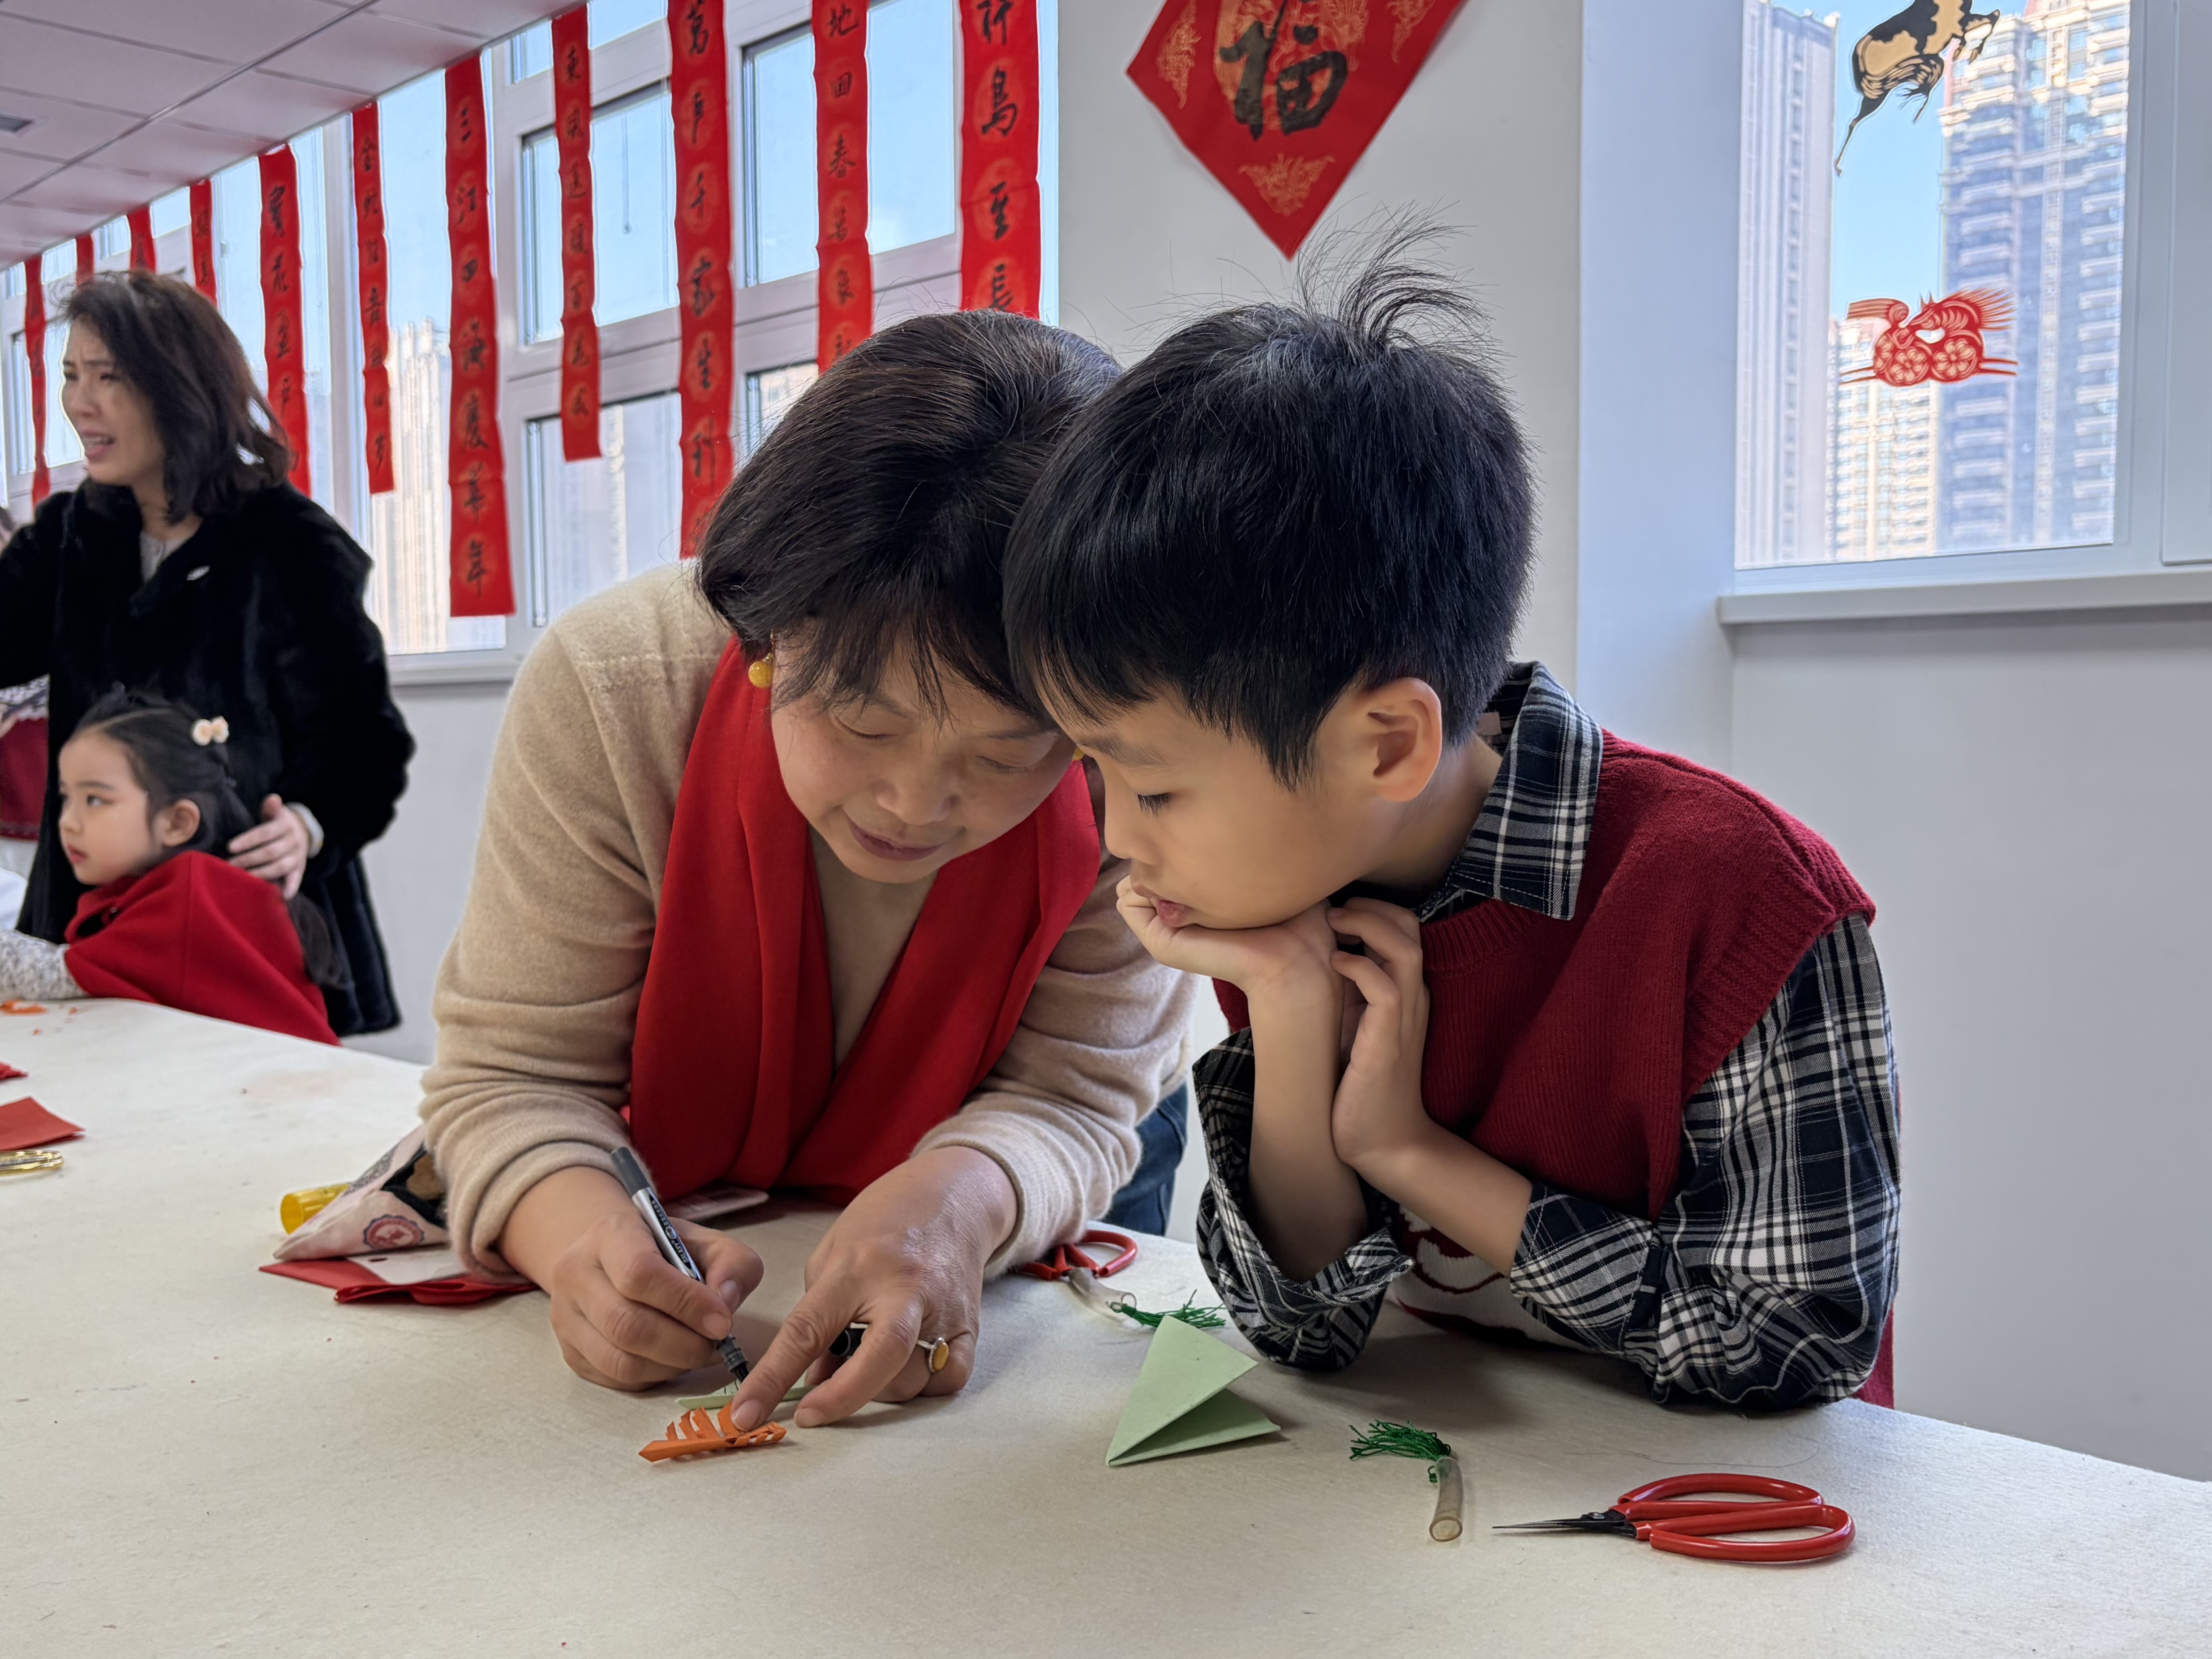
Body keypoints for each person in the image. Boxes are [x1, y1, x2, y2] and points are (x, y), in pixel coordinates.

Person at [1001, 250, 1902, 1410]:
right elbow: (1302, 1331)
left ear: (1386, 745)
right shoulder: (1298, 878)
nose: (1121, 837)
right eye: (1095, 773)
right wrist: (1291, 1012)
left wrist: (1411, 1152)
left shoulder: (1743, 900)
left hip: (1730, 1495)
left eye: (1156, 788)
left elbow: (1796, 1341)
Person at [421, 310, 1196, 1428]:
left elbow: (1075, 1094)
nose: (914, 804)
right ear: (765, 634)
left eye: (1002, 756)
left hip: (1017, 1209)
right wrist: (582, 1241)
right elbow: (513, 1074)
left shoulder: (1136, 750)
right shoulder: (620, 688)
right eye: (862, 721)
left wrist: (957, 1206)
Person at [0, 271, 413, 1036]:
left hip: (241, 915)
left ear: (175, 388)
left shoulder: (287, 541)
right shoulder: (70, 533)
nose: (79, 404)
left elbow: (364, 742)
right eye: (70, 375)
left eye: (107, 378)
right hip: (89, 912)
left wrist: (307, 824)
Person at [0, 691, 338, 1044]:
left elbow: (53, 975)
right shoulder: (191, 884)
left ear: (178, 822)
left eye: (96, 800)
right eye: (66, 798)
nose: (68, 822)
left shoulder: (191, 896)